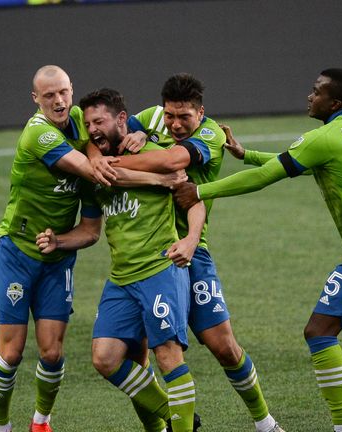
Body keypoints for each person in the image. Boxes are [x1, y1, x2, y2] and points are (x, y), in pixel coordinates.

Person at [174, 68, 342, 432]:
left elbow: (266, 177)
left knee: (319, 330)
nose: (309, 96)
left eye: (316, 91)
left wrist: (201, 191)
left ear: (333, 103)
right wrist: (247, 153)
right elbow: (305, 163)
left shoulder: (325, 138)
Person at [88, 74, 284, 432]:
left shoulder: (210, 134)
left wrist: (107, 169)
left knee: (222, 346)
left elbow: (172, 163)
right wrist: (97, 157)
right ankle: (166, 424)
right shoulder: (151, 117)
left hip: (193, 249)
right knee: (135, 355)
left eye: (185, 118)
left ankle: (266, 423)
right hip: (151, 253)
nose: (176, 125)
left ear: (201, 113)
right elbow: (101, 139)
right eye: (170, 117)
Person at [36, 87, 205, 432]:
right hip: (122, 279)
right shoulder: (94, 172)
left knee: (167, 355)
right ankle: (177, 416)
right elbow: (91, 231)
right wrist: (60, 241)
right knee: (105, 358)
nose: (93, 129)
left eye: (99, 121)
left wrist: (190, 240)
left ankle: (180, 424)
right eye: (88, 123)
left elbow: (194, 200)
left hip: (160, 269)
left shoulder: (157, 151)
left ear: (122, 120)